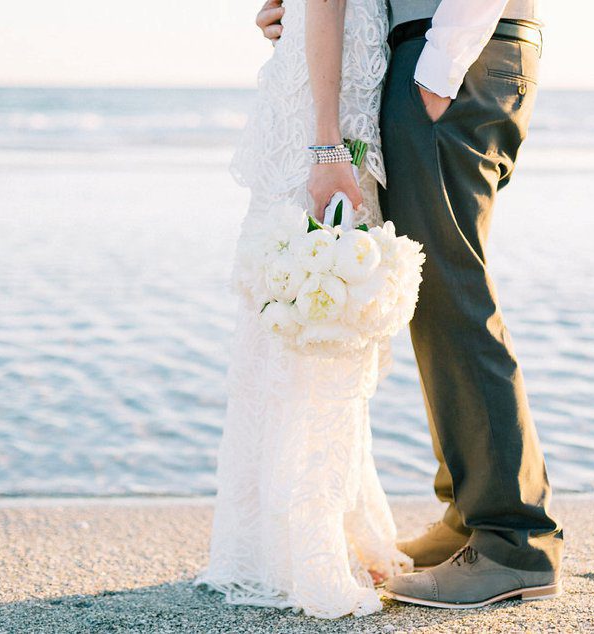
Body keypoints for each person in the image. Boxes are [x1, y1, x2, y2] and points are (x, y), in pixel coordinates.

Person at [258, 0, 565, 609]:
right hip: (446, 51)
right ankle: (469, 516)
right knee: (434, 299)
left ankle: (513, 540)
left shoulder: (442, 64)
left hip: (452, 53)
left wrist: (440, 68)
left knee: (454, 294)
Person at [194, 0, 411, 619]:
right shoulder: (325, 135)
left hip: (329, 89)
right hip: (327, 115)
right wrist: (325, 145)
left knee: (304, 318)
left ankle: (287, 540)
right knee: (320, 322)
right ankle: (305, 551)